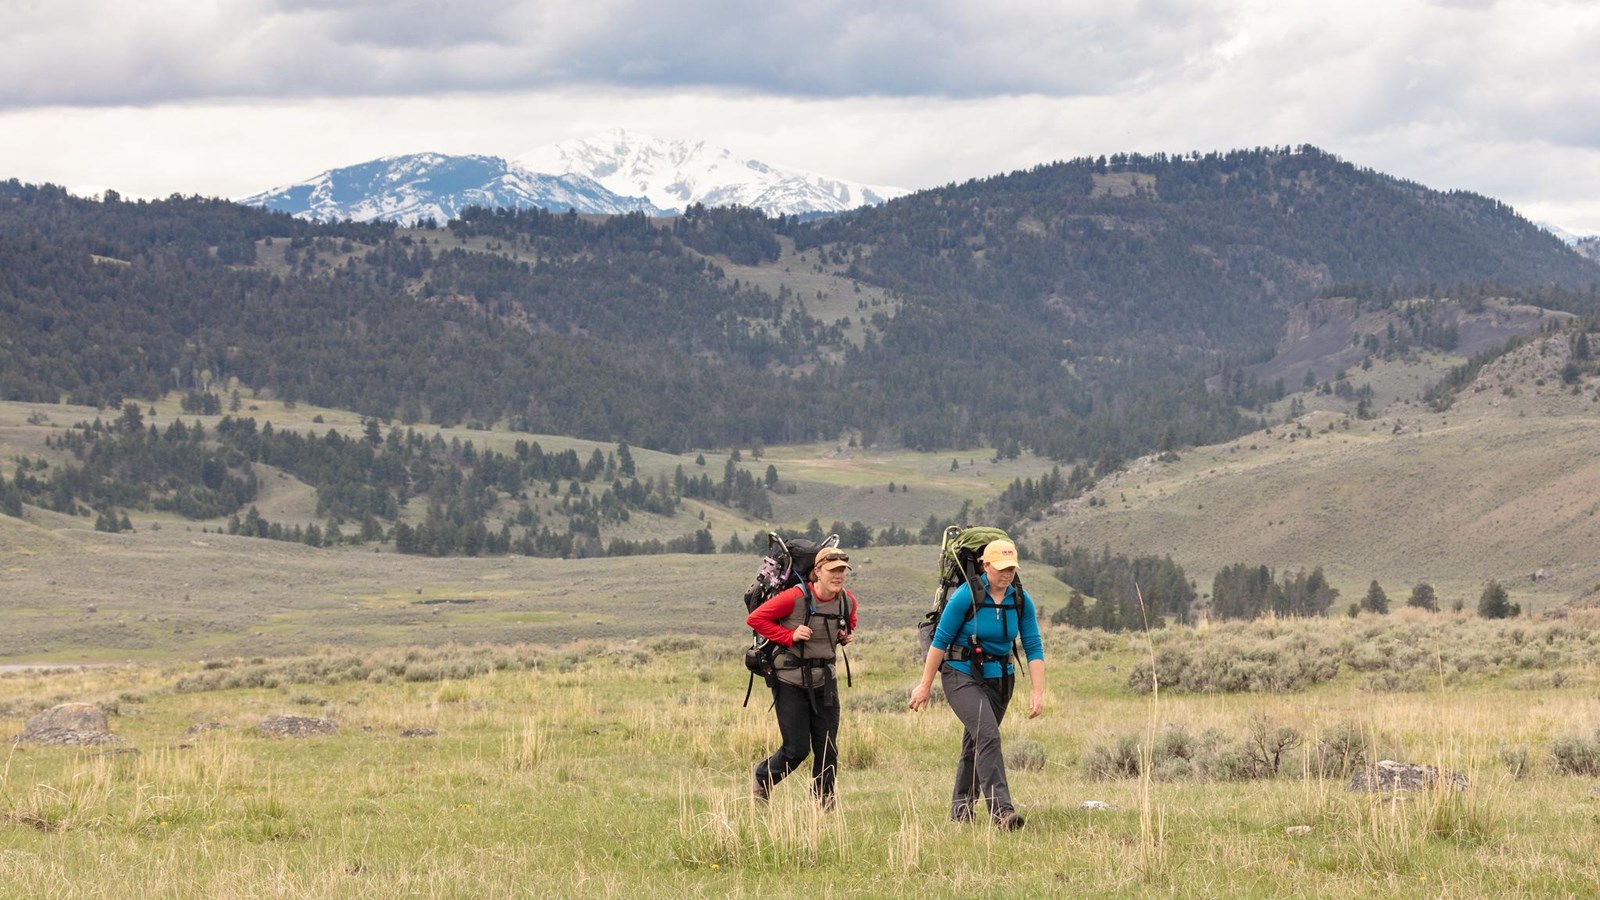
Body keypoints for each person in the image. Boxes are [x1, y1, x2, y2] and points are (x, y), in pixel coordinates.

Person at [908, 538, 1044, 829]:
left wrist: (1037, 691)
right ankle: (1002, 813)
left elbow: (1033, 644)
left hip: (1001, 680)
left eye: (1011, 568)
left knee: (977, 743)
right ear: (985, 565)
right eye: (1000, 568)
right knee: (988, 736)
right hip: (961, 675)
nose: (1006, 574)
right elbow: (940, 641)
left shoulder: (1020, 599)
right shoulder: (965, 596)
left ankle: (960, 814)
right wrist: (924, 685)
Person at [747, 547, 858, 808]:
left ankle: (824, 800)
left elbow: (849, 622)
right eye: (833, 570)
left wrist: (845, 636)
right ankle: (764, 777)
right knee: (796, 750)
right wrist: (790, 636)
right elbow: (756, 619)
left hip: (826, 681)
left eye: (842, 570)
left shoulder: (847, 601)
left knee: (828, 748)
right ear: (817, 572)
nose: (838, 575)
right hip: (790, 680)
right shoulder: (794, 597)